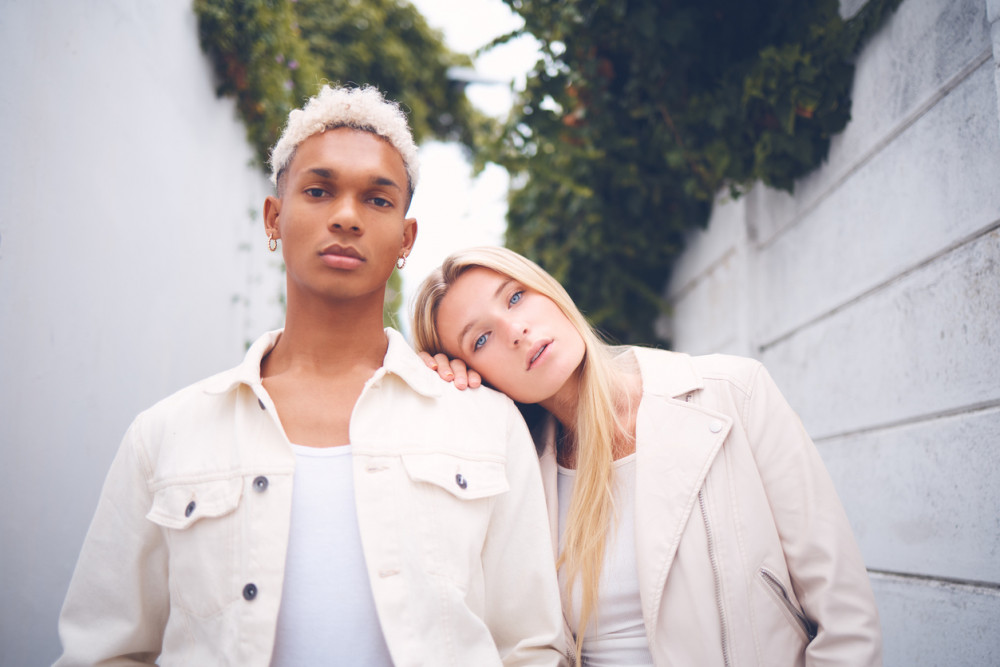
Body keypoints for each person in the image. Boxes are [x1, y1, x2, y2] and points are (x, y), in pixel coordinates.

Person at [55, 87, 566, 667]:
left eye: (377, 199)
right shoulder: (166, 434)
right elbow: (105, 651)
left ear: (406, 238)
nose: (346, 216)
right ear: (275, 217)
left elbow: (530, 647)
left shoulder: (484, 425)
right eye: (319, 191)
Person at [412, 245, 883, 666]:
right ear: (479, 376)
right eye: (480, 340)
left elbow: (845, 620)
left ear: (549, 292)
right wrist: (442, 401)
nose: (515, 330)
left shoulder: (734, 394)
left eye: (515, 297)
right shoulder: (516, 481)